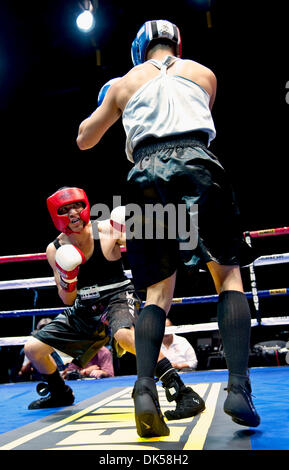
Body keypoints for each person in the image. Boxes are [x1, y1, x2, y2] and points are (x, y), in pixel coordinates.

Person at [76, 19, 260, 436]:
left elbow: (84, 139)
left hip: (145, 175)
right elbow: (191, 119)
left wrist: (110, 99)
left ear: (139, 48)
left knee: (157, 294)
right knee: (229, 278)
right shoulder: (204, 74)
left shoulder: (125, 83)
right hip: (199, 166)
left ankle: (145, 392)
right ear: (177, 42)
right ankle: (238, 389)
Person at [24, 186, 205, 426]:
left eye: (77, 206)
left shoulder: (107, 228)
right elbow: (67, 299)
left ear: (86, 206)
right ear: (56, 216)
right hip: (84, 307)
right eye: (65, 209)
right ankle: (59, 393)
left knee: (124, 335)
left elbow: (144, 251)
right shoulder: (54, 249)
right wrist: (68, 277)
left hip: (118, 296)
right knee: (33, 348)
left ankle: (182, 391)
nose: (73, 213)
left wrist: (131, 233)